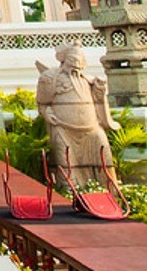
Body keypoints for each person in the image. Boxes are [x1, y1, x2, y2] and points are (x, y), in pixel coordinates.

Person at [35, 45, 118, 190]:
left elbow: (98, 102)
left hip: (91, 129)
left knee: (104, 155)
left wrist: (99, 90)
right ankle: (68, 193)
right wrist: (47, 113)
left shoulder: (89, 80)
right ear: (64, 60)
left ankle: (108, 189)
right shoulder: (51, 78)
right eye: (72, 59)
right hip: (64, 128)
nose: (76, 63)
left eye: (80, 60)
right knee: (65, 161)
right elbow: (42, 102)